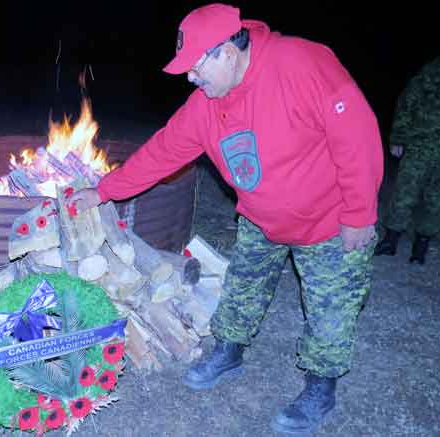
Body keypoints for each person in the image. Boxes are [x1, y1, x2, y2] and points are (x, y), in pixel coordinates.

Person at [71, 3, 383, 434]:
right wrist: (104, 190)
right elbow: (163, 152)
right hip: (260, 220)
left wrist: (359, 213)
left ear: (227, 52)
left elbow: (357, 137)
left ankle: (320, 384)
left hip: (327, 222)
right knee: (242, 290)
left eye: (196, 65)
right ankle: (229, 350)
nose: (190, 77)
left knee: (331, 311)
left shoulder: (303, 63)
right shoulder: (204, 105)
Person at [374, 56, 440, 264]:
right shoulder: (429, 75)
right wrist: (397, 138)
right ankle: (390, 240)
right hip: (420, 144)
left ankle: (421, 246)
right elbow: (406, 105)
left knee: (435, 199)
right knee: (405, 192)